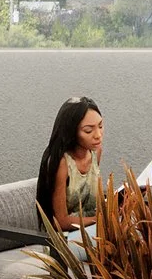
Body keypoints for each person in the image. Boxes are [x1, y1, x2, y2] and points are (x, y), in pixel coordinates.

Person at [35, 96, 109, 234]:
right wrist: (101, 220)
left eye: (100, 126)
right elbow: (61, 221)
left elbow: (90, 198)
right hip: (64, 239)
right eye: (88, 130)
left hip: (92, 232)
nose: (98, 135)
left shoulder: (95, 152)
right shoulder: (62, 163)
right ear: (72, 132)